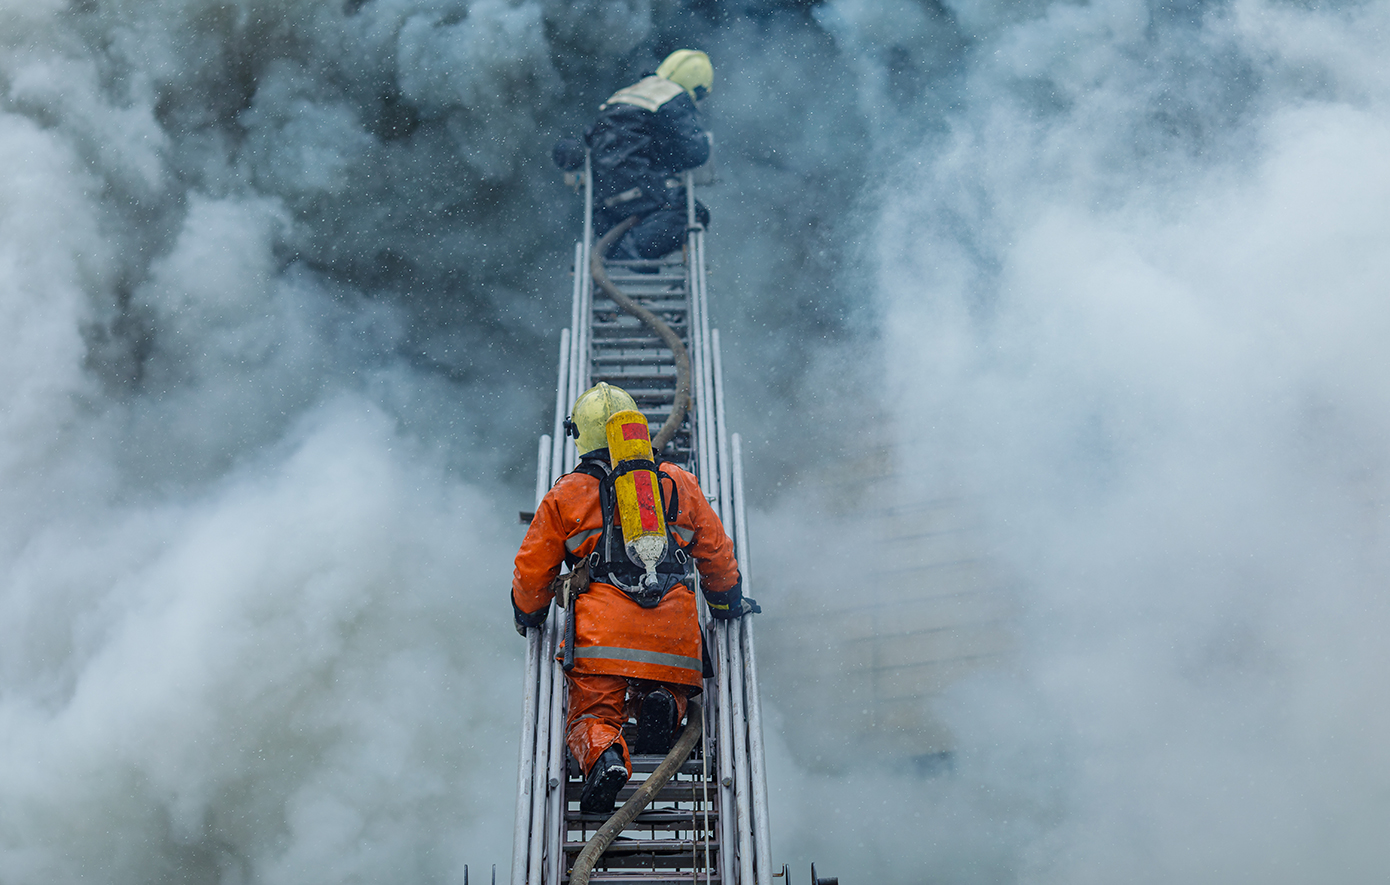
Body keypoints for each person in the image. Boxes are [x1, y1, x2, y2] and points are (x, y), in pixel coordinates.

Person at [512, 383, 758, 814]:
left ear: (581, 436)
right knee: (665, 683)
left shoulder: (566, 495)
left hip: (602, 638)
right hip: (673, 635)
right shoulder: (677, 482)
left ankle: (605, 756)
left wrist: (528, 614)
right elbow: (716, 552)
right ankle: (665, 706)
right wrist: (727, 603)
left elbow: (533, 572)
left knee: (593, 715)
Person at [552, 49, 714, 263]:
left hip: (604, 206)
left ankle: (619, 247)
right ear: (698, 89)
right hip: (639, 191)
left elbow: (603, 138)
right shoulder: (673, 95)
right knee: (692, 213)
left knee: (656, 210)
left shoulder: (624, 95)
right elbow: (695, 152)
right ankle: (631, 250)